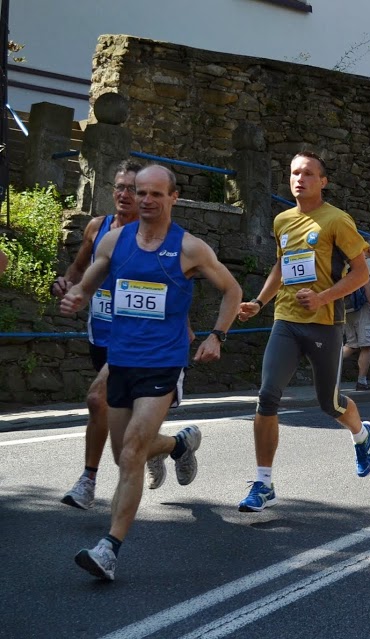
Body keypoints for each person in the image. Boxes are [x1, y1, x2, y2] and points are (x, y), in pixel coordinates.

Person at [60, 164, 242, 580]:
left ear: (173, 197)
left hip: (163, 361)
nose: (145, 200)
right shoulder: (114, 240)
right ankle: (179, 444)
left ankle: (109, 548)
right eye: (141, 192)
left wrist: (217, 336)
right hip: (120, 360)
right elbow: (90, 280)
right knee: (125, 453)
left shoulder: (189, 248)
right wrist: (77, 295)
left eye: (156, 194)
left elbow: (232, 290)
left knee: (131, 452)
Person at [235, 152, 370, 513]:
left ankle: (361, 434)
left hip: (325, 324)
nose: (300, 179)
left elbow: (361, 273)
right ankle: (264, 483)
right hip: (286, 319)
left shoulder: (337, 220)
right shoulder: (282, 219)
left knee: (329, 404)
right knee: (267, 396)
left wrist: (323, 298)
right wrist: (259, 302)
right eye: (295, 173)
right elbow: (282, 266)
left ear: (323, 181)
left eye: (309, 174)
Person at [53, 160, 144, 510]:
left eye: (133, 189)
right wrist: (66, 283)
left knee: (96, 400)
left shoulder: (151, 235)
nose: (124, 194)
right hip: (100, 334)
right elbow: (78, 268)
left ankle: (88, 481)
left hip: (133, 338)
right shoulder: (97, 227)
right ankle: (173, 445)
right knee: (123, 421)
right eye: (120, 187)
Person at [343, 239, 370, 390]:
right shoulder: (366, 262)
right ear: (369, 249)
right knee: (366, 345)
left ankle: (326, 363)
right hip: (362, 308)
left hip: (346, 308)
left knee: (351, 344)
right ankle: (362, 382)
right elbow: (366, 285)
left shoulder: (347, 263)